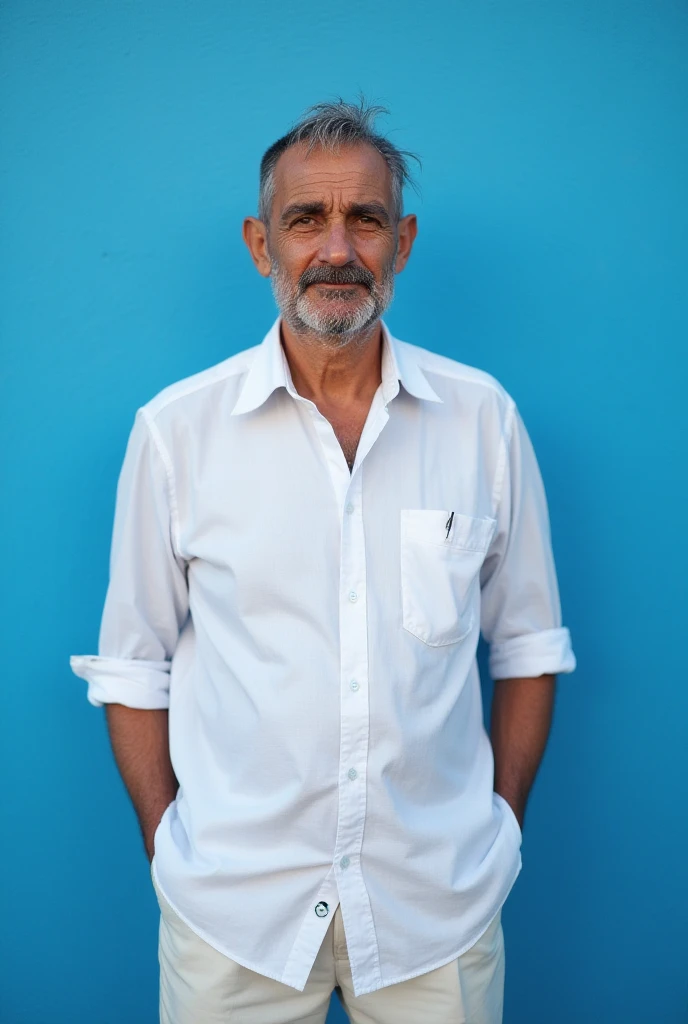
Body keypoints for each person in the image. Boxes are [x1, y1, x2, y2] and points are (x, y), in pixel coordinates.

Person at [71, 98, 576, 1024]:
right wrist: (168, 845)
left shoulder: (483, 421)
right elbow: (133, 667)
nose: (337, 249)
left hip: (438, 914)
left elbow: (530, 646)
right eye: (307, 219)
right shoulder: (177, 433)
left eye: (366, 219)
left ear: (403, 241)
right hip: (233, 922)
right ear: (262, 244)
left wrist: (499, 833)